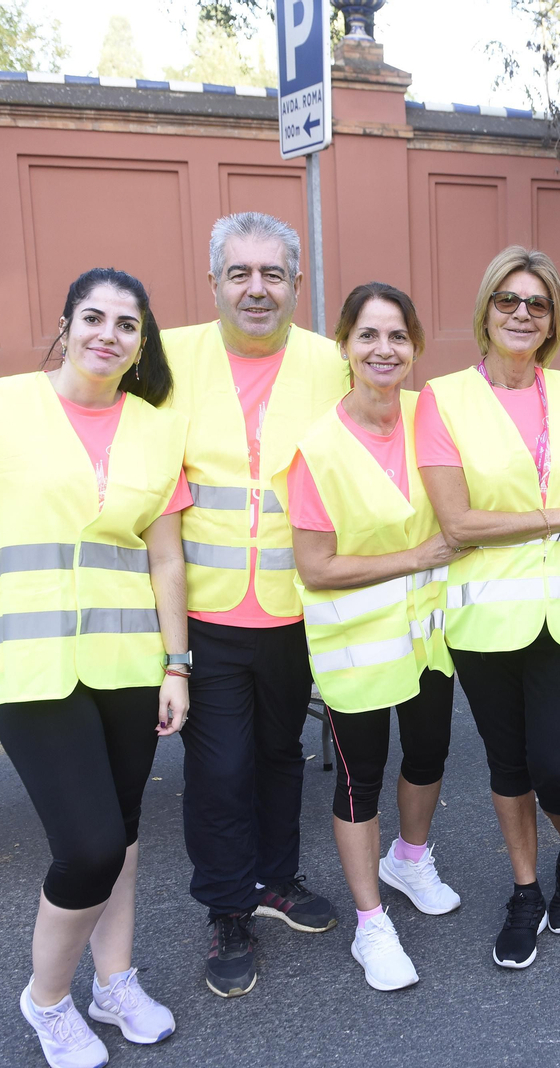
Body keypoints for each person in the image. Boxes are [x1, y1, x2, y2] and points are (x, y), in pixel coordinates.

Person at [0, 269, 190, 1068]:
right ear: (67, 323)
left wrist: (176, 664)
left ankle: (114, 983)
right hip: (27, 662)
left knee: (127, 836)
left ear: (142, 342)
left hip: (126, 661)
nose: (108, 334)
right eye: (94, 317)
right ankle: (46, 1002)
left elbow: (165, 560)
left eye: (127, 325)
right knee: (90, 845)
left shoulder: (154, 429)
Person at [162, 213, 349, 998]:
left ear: (296, 285)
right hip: (205, 610)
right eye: (239, 274)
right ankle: (227, 908)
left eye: (273, 274)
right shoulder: (166, 356)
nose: (256, 288)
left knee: (280, 755)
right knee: (220, 767)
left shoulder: (330, 361)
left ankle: (275, 880)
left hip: (295, 605)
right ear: (213, 283)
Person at [417, 247, 560, 969]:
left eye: (537, 303)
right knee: (508, 764)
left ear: (553, 317)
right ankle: (526, 889)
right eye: (508, 300)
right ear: (485, 309)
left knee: (554, 765)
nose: (522, 314)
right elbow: (457, 523)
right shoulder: (443, 397)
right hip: (483, 618)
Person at [283, 283, 469, 989]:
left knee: (429, 753)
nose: (384, 349)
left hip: (427, 638)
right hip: (356, 648)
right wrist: (416, 557)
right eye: (369, 336)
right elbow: (315, 566)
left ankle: (410, 858)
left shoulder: (432, 416)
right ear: (346, 348)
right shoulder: (319, 449)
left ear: (415, 346)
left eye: (398, 336)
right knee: (359, 780)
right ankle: (370, 924)